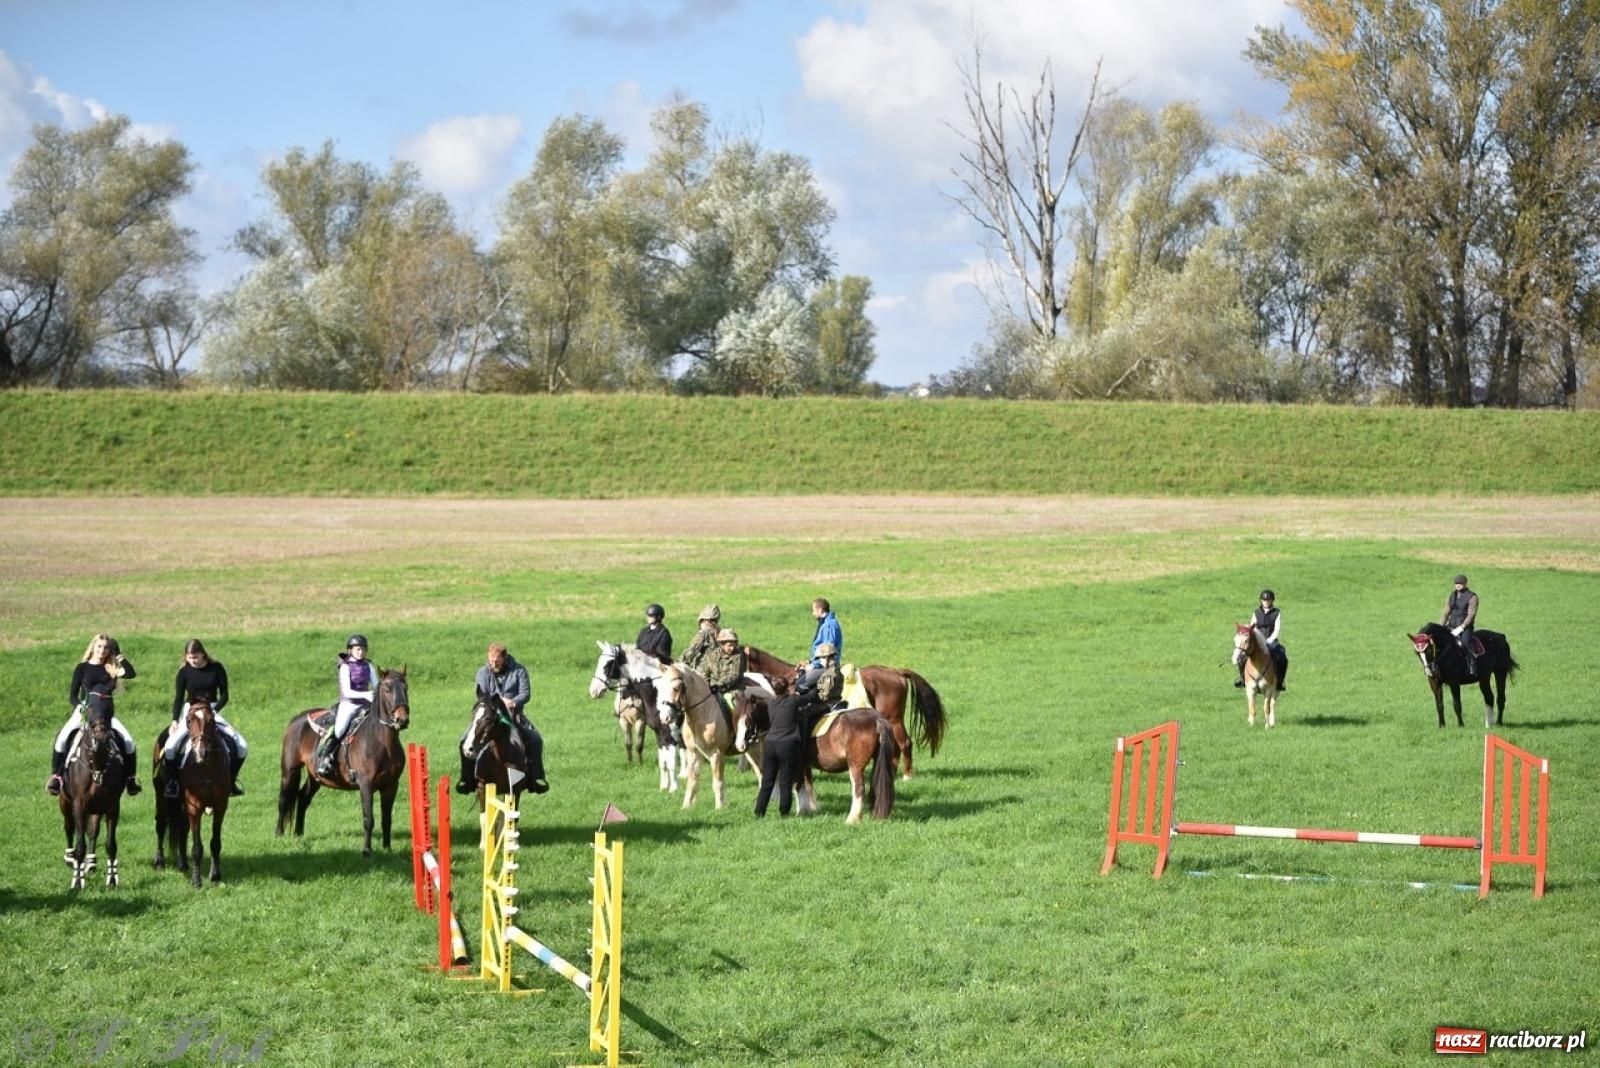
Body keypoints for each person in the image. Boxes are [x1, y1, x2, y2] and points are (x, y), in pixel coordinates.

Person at [49, 633, 142, 796]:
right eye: (99, 646)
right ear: (93, 647)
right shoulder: (82, 668)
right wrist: (80, 708)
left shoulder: (111, 668)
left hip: (105, 715)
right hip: (85, 712)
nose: (102, 650)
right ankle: (57, 777)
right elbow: (72, 696)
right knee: (62, 738)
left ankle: (130, 779)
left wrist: (119, 655)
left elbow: (131, 673)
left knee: (128, 741)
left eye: (106, 647)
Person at [457, 643, 548, 795]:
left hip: (513, 716)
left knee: (535, 739)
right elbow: (481, 695)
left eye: (496, 661)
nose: (492, 664)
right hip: (488, 717)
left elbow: (525, 694)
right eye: (490, 660)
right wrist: (496, 703)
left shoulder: (519, 671)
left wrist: (511, 702)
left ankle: (535, 778)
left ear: (504, 658)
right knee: (464, 740)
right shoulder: (483, 672)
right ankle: (467, 779)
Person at [162, 638, 248, 797]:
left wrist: (213, 711)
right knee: (170, 747)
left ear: (202, 654)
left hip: (212, 709)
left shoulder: (217, 668)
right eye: (189, 657)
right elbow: (179, 698)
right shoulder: (184, 672)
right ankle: (173, 782)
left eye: (195, 657)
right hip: (191, 710)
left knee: (242, 745)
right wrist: (174, 720)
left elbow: (224, 696)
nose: (192, 661)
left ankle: (231, 780)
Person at [315, 634, 375, 778]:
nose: (361, 652)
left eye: (363, 649)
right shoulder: (345, 667)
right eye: (358, 649)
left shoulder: (369, 666)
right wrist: (366, 694)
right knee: (340, 730)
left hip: (366, 705)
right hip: (349, 704)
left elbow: (377, 685)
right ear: (350, 650)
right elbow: (347, 691)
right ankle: (326, 758)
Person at [753, 689, 807, 818]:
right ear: (787, 689)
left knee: (767, 781)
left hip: (770, 744)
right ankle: (784, 812)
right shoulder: (793, 700)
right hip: (786, 745)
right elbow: (812, 697)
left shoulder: (772, 703)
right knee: (785, 782)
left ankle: (759, 811)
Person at [1236, 589, 1286, 691]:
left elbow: (1277, 630)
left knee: (1282, 657)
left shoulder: (1277, 613)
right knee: (1242, 657)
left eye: (1268, 600)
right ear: (1261, 601)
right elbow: (1252, 627)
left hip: (1271, 641)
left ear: (1272, 601)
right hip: (1258, 641)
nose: (1266, 602)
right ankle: (1242, 679)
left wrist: (1269, 640)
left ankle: (1280, 682)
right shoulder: (1256, 612)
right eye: (1264, 600)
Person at [795, 597, 843, 693]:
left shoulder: (829, 625)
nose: (813, 613)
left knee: (800, 684)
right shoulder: (824, 624)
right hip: (820, 664)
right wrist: (809, 662)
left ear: (820, 610)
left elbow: (827, 651)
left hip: (826, 667)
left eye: (813, 610)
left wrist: (813, 666)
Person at [1441, 574, 1480, 677]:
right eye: (1456, 583)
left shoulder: (1472, 597)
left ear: (1465, 583)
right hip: (1451, 625)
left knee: (1465, 643)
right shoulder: (1452, 595)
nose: (1458, 585)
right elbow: (1446, 613)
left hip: (1465, 627)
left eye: (1460, 583)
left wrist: (1461, 627)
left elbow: (1471, 615)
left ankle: (1471, 665)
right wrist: (1441, 626)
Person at [701, 628, 747, 708]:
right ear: (721, 644)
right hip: (712, 688)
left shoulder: (738, 656)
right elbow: (705, 672)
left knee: (733, 705)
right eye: (729, 645)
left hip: (733, 689)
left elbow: (734, 675)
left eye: (733, 645)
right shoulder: (712, 655)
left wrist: (719, 685)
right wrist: (706, 685)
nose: (732, 648)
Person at [680, 605, 723, 672]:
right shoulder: (720, 631)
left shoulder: (704, 633)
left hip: (703, 669)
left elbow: (692, 650)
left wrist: (679, 663)